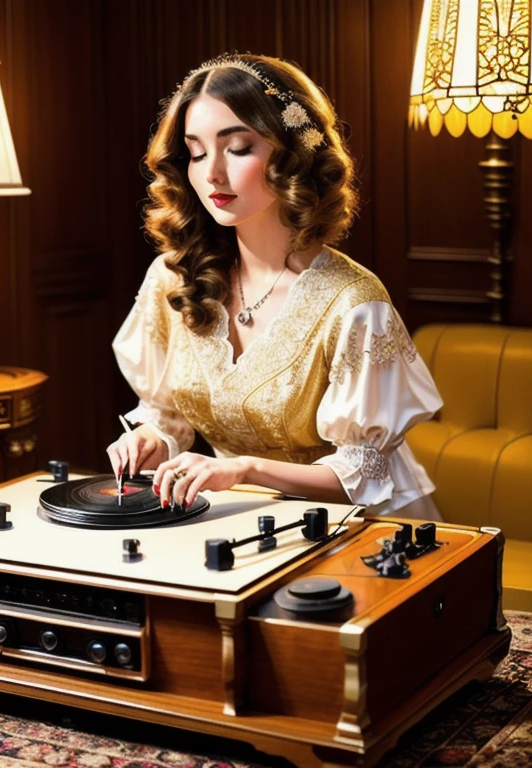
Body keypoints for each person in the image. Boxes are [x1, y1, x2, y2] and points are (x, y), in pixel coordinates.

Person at [107, 53, 443, 519]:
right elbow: (167, 414)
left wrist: (245, 470)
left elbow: (362, 475)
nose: (212, 173)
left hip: (366, 527)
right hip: (244, 522)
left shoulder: (355, 305)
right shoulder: (175, 277)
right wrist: (148, 439)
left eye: (238, 147)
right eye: (197, 152)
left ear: (293, 156)